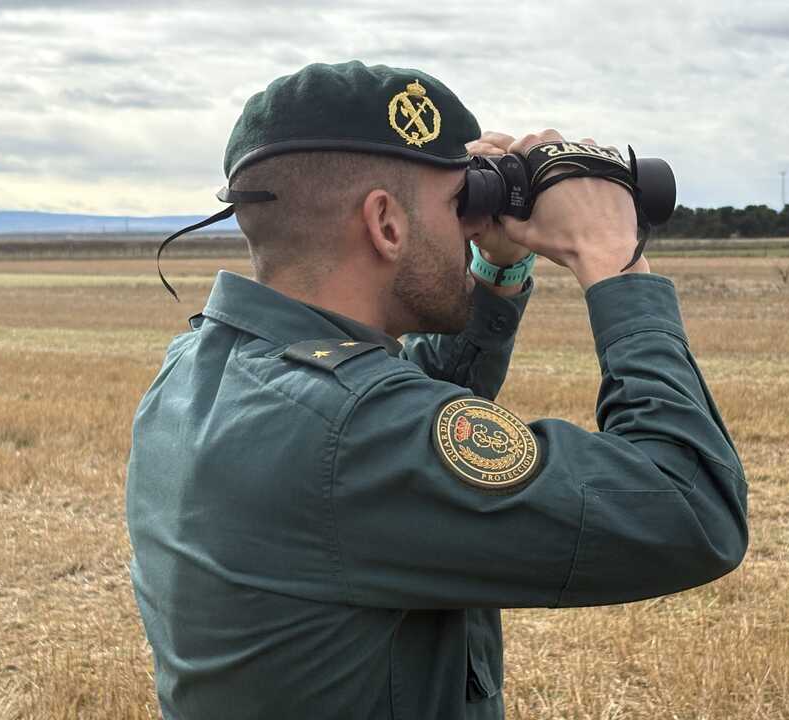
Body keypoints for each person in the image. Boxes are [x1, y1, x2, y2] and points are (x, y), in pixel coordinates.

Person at [126, 60, 748, 720]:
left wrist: (492, 270)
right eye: (462, 206)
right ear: (386, 224)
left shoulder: (199, 368)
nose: (476, 224)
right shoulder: (351, 434)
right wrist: (613, 259)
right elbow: (689, 506)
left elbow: (392, 413)